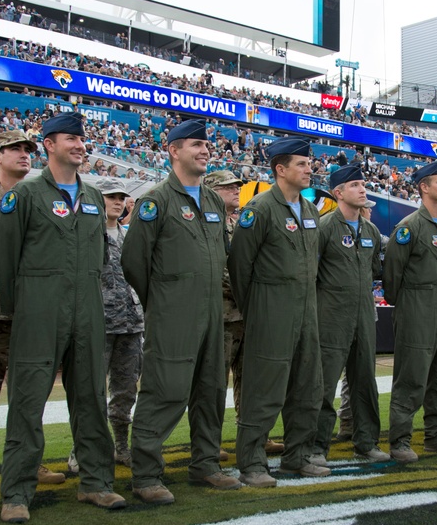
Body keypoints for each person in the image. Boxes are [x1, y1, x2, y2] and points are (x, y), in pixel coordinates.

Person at [0, 112, 125, 524]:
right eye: (71, 139)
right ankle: (16, 492)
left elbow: (101, 257)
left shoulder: (90, 196)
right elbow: (5, 258)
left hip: (87, 309)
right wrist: (26, 307)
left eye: (82, 140)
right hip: (38, 308)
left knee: (90, 399)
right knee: (28, 401)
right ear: (49, 144)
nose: (80, 146)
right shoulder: (26, 194)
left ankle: (96, 483)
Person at [122, 119, 239, 504]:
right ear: (173, 151)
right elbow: (134, 262)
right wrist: (165, 300)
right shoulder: (156, 201)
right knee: (164, 392)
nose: (204, 150)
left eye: (206, 145)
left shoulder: (212, 202)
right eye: (195, 145)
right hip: (173, 315)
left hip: (212, 316)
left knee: (210, 391)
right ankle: (146, 474)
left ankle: (205, 463)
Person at [0, 129, 65, 492]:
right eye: (13, 149)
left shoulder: (39, 199)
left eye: (27, 149)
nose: (23, 154)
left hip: (31, 313)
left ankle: (27, 462)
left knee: (30, 398)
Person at [228, 136, 330, 486]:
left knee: (307, 386)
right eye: (301, 164)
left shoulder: (311, 209)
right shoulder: (259, 209)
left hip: (306, 311)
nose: (309, 169)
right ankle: (252, 462)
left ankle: (297, 456)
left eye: (309, 163)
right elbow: (240, 265)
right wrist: (257, 308)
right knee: (264, 389)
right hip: (271, 310)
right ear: (280, 169)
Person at [383, 160, 437, 462]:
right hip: (416, 314)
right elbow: (391, 276)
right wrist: (410, 305)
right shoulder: (409, 227)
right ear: (423, 188)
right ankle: (400, 441)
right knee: (411, 378)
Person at [202, 169, 284, 459]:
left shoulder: (240, 222)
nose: (236, 190)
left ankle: (252, 436)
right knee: (213, 383)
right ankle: (209, 443)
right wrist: (244, 288)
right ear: (211, 190)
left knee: (251, 381)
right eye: (227, 187)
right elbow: (221, 269)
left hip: (246, 313)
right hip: (221, 315)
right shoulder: (205, 221)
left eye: (237, 186)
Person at [313, 164, 389, 462]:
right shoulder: (324, 227)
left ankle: (366, 442)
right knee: (323, 383)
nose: (362, 189)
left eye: (363, 184)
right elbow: (312, 273)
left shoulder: (370, 229)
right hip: (331, 316)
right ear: (339, 192)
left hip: (364, 317)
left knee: (365, 381)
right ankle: (316, 446)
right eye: (355, 185)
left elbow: (373, 271)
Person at [90, 177, 144, 469]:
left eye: (121, 197)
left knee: (125, 391)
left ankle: (121, 446)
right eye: (111, 196)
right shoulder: (88, 234)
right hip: (99, 323)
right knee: (91, 392)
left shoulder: (129, 236)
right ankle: (82, 451)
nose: (117, 201)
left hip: (130, 324)